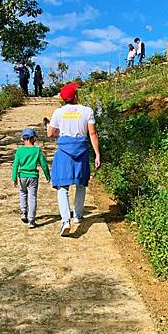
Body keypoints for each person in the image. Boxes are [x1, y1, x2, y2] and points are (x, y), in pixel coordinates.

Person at [47, 82, 101, 236]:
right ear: (76, 96)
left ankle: (65, 220)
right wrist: (97, 154)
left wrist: (58, 131)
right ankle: (77, 215)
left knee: (62, 187)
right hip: (82, 151)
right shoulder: (87, 111)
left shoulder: (58, 112)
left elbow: (50, 133)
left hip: (64, 152)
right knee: (81, 184)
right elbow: (92, 134)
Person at [12, 128, 50, 229]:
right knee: (32, 197)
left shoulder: (19, 150)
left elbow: (15, 165)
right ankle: (31, 220)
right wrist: (48, 176)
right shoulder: (37, 150)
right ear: (33, 139)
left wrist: (14, 178)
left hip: (22, 176)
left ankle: (24, 212)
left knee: (23, 193)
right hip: (33, 177)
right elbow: (44, 164)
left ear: (23, 139)